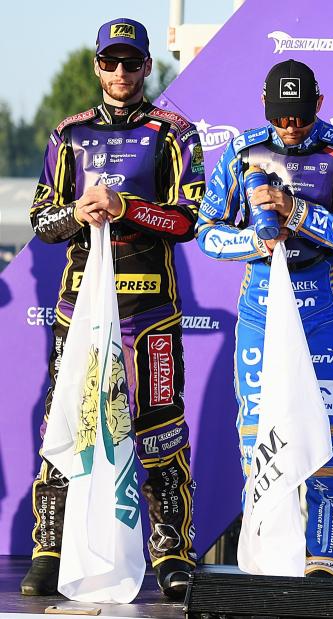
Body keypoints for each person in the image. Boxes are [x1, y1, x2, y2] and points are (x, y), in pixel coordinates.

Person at [24, 18, 203, 599]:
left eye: (131, 62)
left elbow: (188, 220)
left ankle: (171, 553)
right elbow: (42, 221)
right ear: (97, 65)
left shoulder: (173, 132)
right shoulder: (69, 134)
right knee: (66, 421)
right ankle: (49, 550)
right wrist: (77, 213)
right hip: (80, 309)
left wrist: (125, 207)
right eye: (110, 61)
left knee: (159, 427)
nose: (120, 72)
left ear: (148, 65)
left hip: (149, 310)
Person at [196, 60, 333, 578]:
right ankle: (268, 554)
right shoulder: (242, 151)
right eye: (280, 117)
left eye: (300, 116)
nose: (290, 126)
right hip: (262, 306)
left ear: (319, 105)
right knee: (257, 437)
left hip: (322, 307)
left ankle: (326, 559)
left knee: (327, 437)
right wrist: (254, 241)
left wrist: (296, 211)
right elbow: (207, 232)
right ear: (265, 107)